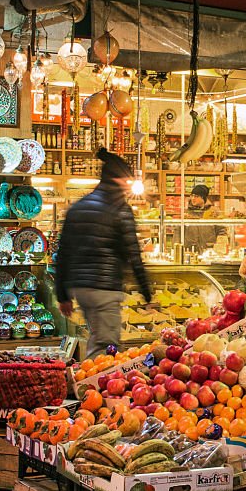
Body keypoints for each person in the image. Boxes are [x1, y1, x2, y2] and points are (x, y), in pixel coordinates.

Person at [55, 148, 152, 358]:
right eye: (127, 182)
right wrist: (147, 293)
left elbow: (63, 253)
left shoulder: (78, 207)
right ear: (118, 180)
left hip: (80, 288)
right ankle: (93, 387)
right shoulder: (120, 209)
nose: (128, 188)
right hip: (104, 288)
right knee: (106, 347)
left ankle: (91, 382)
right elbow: (134, 254)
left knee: (97, 336)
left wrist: (62, 296)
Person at [184, 184, 225, 253]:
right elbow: (178, 231)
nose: (193, 198)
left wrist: (220, 248)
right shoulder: (187, 212)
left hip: (210, 251)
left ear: (204, 198)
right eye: (192, 196)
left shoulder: (213, 212)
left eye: (196, 196)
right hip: (190, 251)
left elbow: (221, 231)